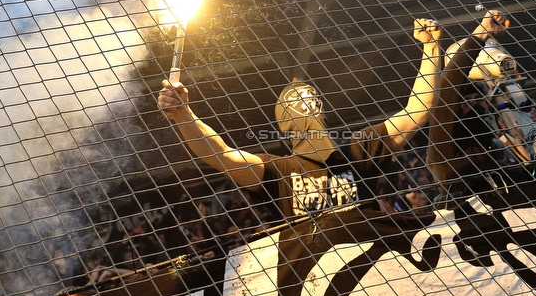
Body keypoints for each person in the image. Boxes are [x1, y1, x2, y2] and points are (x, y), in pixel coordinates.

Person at [157, 19, 443, 219]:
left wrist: (431, 49)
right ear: (286, 123)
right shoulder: (279, 171)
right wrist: (184, 115)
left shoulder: (358, 151)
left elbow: (420, 107)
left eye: (312, 99)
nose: (308, 104)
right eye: (297, 102)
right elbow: (220, 154)